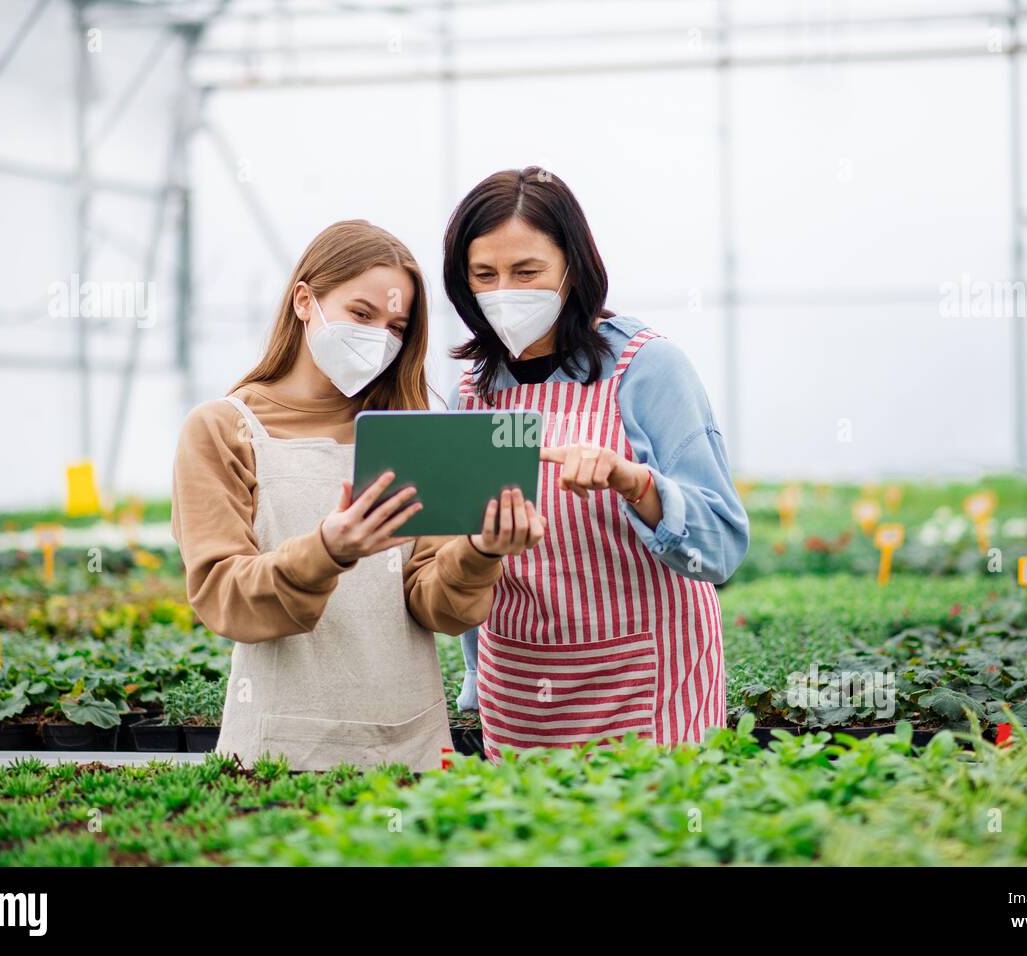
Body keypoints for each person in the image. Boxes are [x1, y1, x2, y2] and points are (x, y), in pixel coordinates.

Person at [171, 220, 542, 772]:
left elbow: (435, 605)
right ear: (304, 300)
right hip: (278, 752)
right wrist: (327, 550)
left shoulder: (413, 432)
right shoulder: (224, 430)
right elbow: (223, 595)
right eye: (361, 315)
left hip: (411, 748)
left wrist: (480, 551)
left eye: (396, 326)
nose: (379, 339)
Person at [443, 168, 749, 762]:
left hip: (649, 685)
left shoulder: (648, 369)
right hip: (521, 689)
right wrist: (477, 680)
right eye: (485, 275)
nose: (504, 290)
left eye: (527, 272)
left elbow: (723, 547)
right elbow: (477, 557)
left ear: (573, 267)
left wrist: (634, 482)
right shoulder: (474, 392)